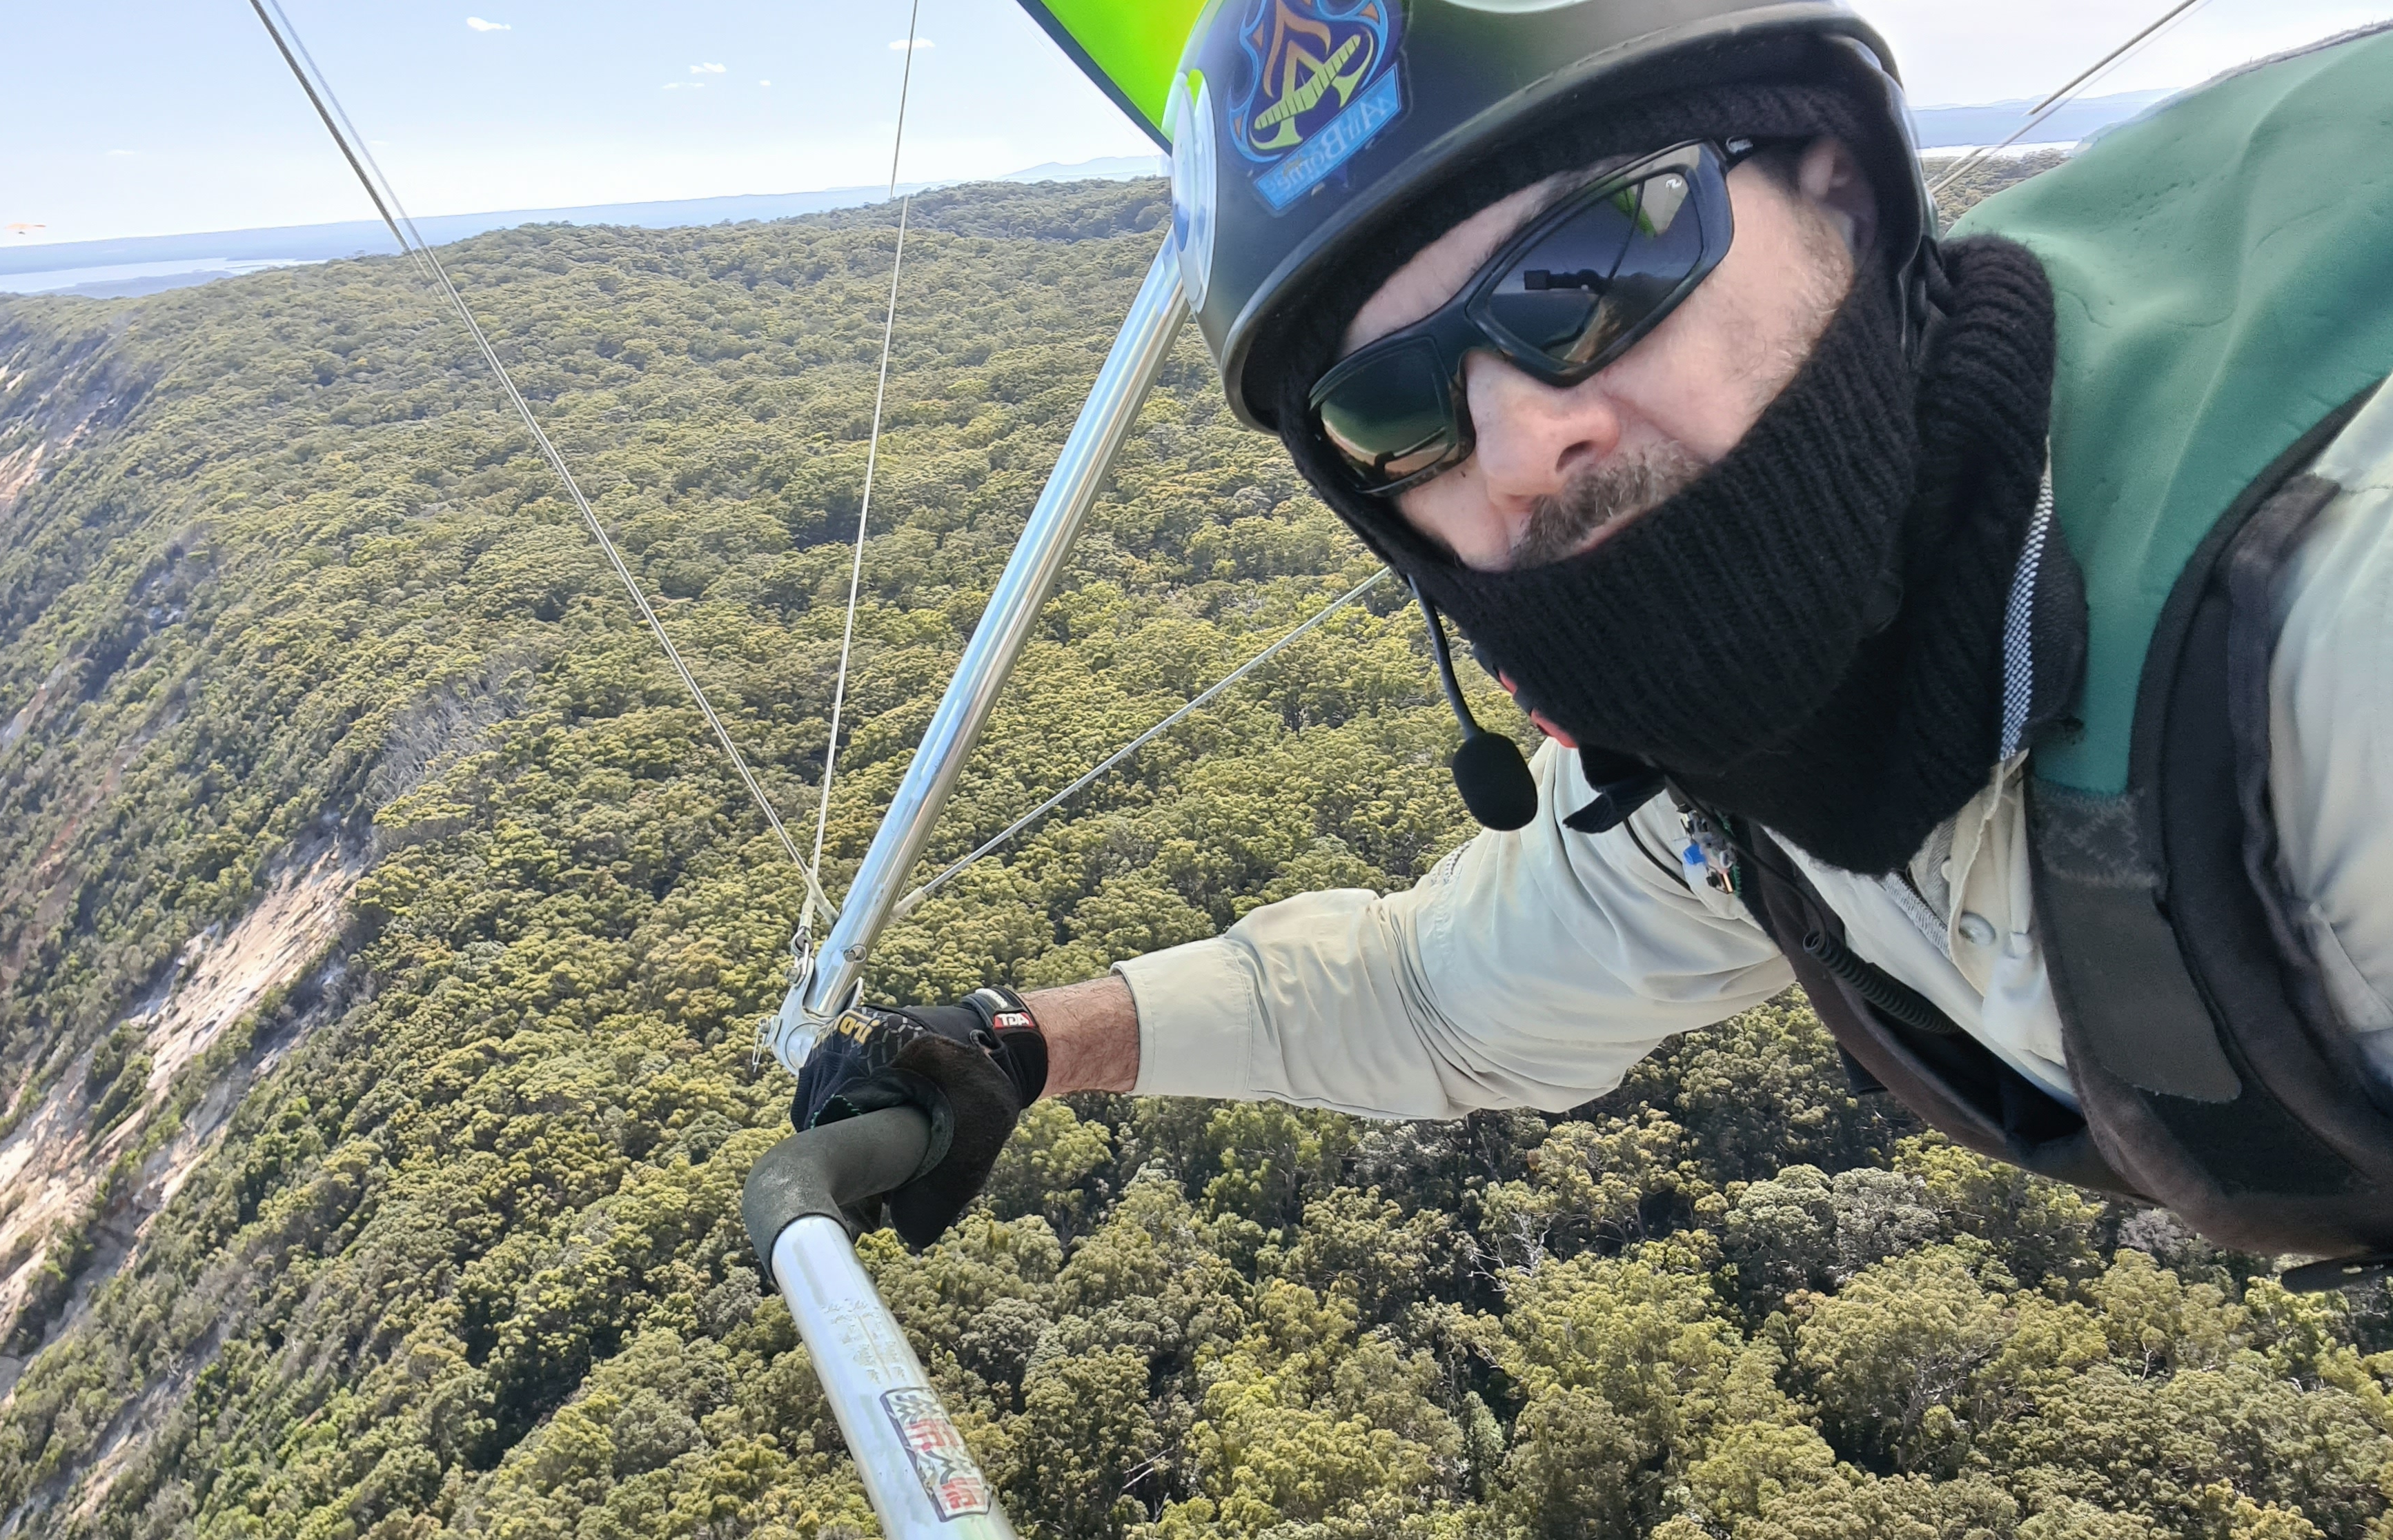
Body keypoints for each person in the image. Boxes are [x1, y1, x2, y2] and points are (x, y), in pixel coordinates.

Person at [793, 0, 2393, 1286]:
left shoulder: (2322, 652)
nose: (1519, 442)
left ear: (1835, 180)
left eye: (1588, 268)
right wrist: (1021, 1046)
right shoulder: (1724, 785)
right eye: (1393, 410)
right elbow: (1428, 989)